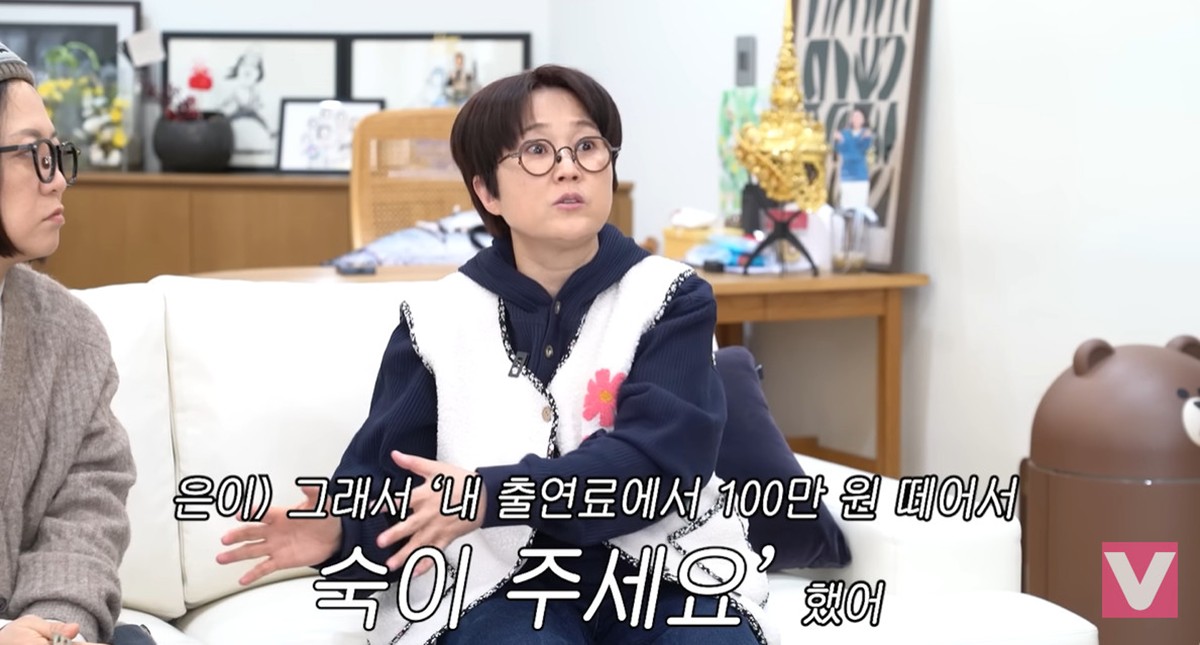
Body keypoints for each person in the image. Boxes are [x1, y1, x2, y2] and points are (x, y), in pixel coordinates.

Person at [217, 64, 777, 645]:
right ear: (487, 192)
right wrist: (342, 533)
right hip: (497, 584)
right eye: (537, 150)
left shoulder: (671, 297)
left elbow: (658, 465)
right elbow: (391, 478)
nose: (569, 167)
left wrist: (490, 495)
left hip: (665, 574)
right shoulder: (436, 319)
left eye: (588, 146)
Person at [0, 43, 149, 645]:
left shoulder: (70, 336)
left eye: (56, 153)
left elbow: (88, 512)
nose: (58, 178)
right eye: (33, 154)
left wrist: (53, 628)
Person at [832, 106, 873, 210]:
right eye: (854, 116)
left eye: (859, 117)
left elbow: (859, 151)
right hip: (847, 175)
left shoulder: (866, 133)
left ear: (864, 120)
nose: (856, 119)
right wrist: (842, 141)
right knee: (846, 206)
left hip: (860, 176)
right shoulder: (845, 133)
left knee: (860, 208)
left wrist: (845, 142)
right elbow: (843, 152)